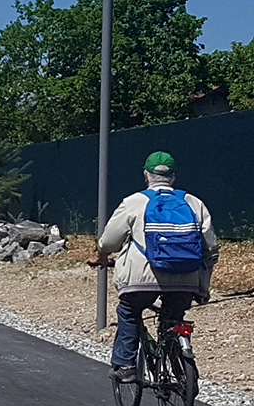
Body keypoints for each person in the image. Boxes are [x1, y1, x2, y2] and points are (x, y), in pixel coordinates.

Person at [90, 151, 218, 382]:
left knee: (129, 312)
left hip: (141, 280)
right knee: (174, 317)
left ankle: (126, 365)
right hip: (186, 279)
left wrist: (102, 256)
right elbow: (210, 249)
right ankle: (181, 367)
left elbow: (108, 242)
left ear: (146, 175)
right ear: (173, 176)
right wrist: (203, 285)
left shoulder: (133, 202)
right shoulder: (194, 203)